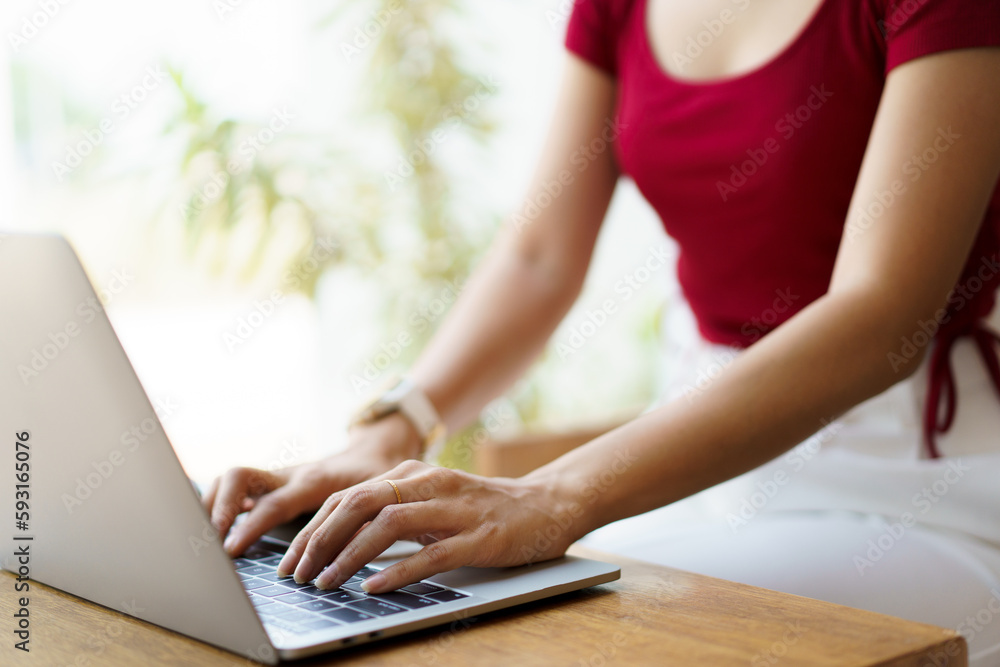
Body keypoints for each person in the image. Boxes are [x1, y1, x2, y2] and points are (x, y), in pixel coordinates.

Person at [203, 0, 1000, 661]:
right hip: (703, 478)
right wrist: (395, 425)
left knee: (533, 635)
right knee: (408, 602)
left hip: (919, 493)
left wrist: (555, 493)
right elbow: (540, 258)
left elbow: (881, 313)